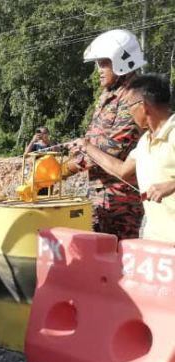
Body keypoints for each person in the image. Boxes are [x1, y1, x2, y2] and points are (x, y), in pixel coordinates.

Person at [63, 29, 146, 240]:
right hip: (100, 195)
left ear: (121, 62)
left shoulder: (133, 98)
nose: (98, 70)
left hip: (121, 203)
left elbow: (113, 148)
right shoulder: (108, 94)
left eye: (103, 63)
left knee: (118, 258)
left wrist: (61, 170)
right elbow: (93, 139)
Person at [78, 74, 175, 244]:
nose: (129, 112)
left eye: (129, 106)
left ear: (143, 106)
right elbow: (121, 171)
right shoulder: (145, 141)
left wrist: (171, 185)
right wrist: (87, 147)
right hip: (155, 242)